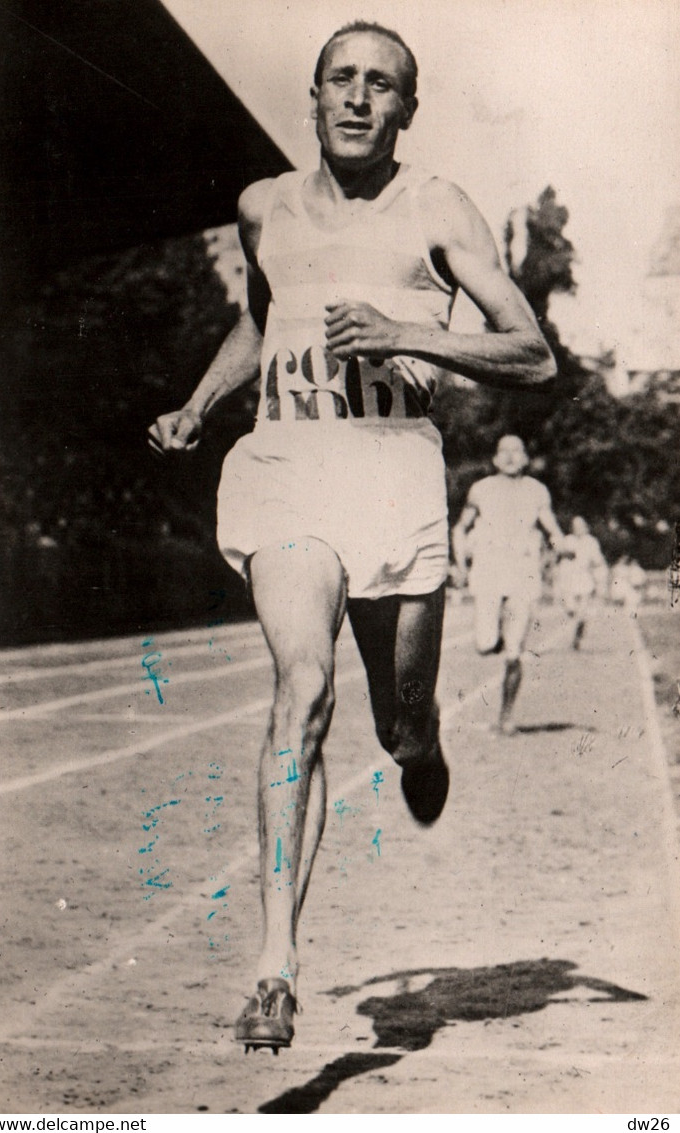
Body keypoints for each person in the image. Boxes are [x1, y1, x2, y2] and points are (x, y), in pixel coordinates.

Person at [148, 22, 556, 1052]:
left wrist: (403, 329)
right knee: (302, 688)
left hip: (391, 471)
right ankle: (274, 966)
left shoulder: (438, 209)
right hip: (285, 467)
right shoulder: (262, 207)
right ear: (315, 95)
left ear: (407, 110)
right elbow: (263, 314)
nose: (360, 98)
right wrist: (200, 402)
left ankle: (419, 741)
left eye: (384, 85)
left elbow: (531, 354)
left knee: (397, 717)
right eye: (343, 79)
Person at [452, 435, 564, 734]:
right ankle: (497, 638)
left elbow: (550, 524)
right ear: (495, 459)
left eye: (518, 450)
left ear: (526, 458)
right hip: (488, 570)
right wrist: (461, 563)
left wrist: (560, 541)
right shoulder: (481, 489)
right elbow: (460, 528)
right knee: (484, 644)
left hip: (522, 572)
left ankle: (506, 716)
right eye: (505, 451)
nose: (512, 456)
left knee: (515, 652)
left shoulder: (537, 491)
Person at [557, 516, 607, 648]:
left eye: (581, 525)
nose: (578, 528)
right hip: (569, 578)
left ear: (586, 527)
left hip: (584, 578)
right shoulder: (568, 540)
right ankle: (579, 623)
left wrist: (598, 574)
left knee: (582, 610)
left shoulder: (591, 542)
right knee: (570, 608)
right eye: (575, 526)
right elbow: (560, 554)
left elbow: (598, 560)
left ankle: (578, 635)